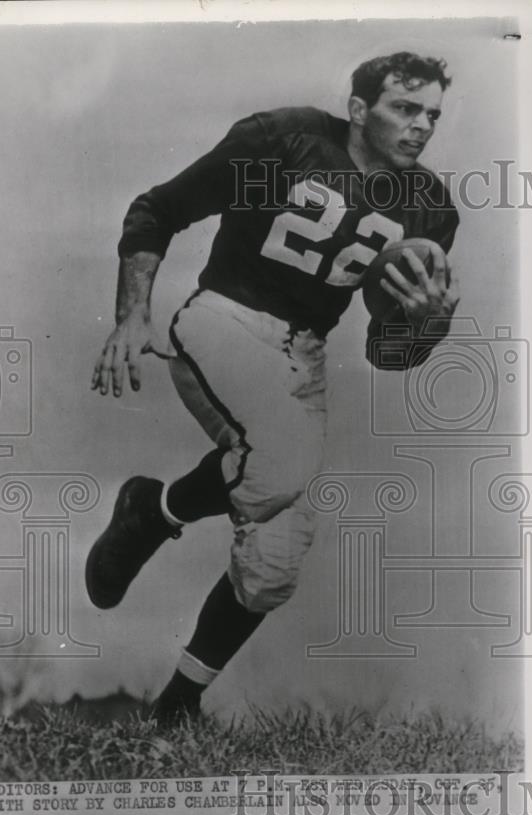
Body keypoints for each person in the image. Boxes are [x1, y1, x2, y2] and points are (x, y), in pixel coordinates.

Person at [87, 51, 460, 724]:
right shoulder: (283, 138)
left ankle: (175, 700)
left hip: (303, 357)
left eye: (431, 114)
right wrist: (131, 312)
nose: (420, 126)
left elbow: (385, 354)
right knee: (283, 465)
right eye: (404, 108)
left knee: (274, 567)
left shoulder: (428, 208)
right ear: (356, 108)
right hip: (225, 319)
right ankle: (159, 511)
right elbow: (158, 207)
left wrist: (424, 329)